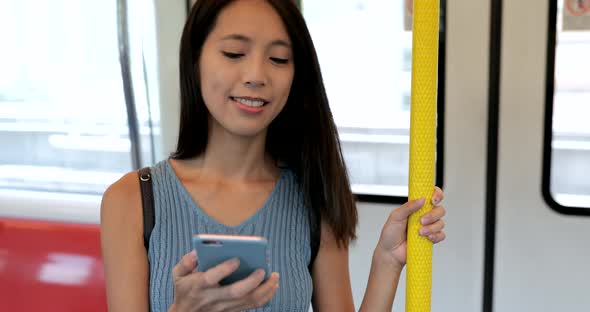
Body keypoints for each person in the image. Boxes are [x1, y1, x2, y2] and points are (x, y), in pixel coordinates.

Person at [100, 0, 447, 311]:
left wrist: (387, 261)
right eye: (234, 53)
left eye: (278, 59)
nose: (256, 76)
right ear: (195, 61)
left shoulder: (313, 201)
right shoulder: (131, 200)